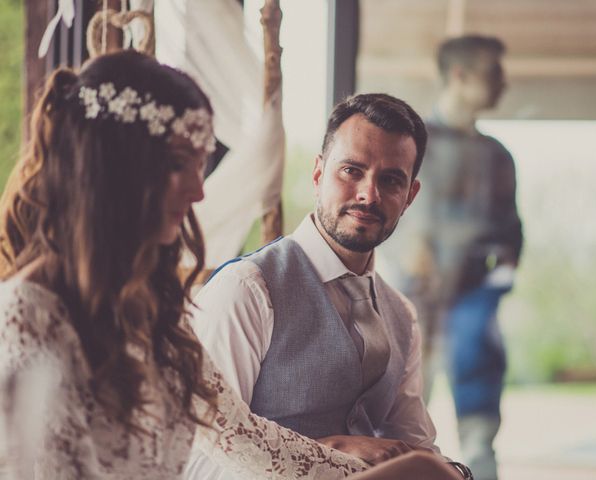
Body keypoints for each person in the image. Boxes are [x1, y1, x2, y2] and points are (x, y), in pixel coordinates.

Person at [0, 50, 373, 479]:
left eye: (201, 164)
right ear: (115, 168)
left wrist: (386, 472)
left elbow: (242, 437)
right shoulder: (24, 317)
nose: (199, 191)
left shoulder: (149, 310)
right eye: (179, 164)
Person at [188, 93, 472, 479]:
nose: (368, 195)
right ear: (318, 174)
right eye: (352, 171)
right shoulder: (248, 289)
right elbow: (200, 458)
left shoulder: (401, 315)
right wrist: (327, 451)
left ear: (410, 196)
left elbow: (416, 449)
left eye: (390, 180)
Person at [383, 35, 523, 480]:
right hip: (411, 299)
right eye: (493, 72)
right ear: (460, 76)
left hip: (473, 303)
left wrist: (494, 287)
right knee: (399, 421)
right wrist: (406, 255)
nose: (504, 82)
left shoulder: (498, 156)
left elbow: (511, 234)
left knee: (481, 427)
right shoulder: (409, 145)